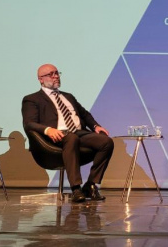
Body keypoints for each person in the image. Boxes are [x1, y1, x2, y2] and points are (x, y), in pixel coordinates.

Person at [21, 64, 114, 203]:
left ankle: (90, 185)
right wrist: (48, 130)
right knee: (71, 138)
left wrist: (95, 126)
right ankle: (76, 188)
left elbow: (84, 114)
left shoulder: (68, 96)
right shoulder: (32, 99)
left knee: (106, 142)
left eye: (57, 73)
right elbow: (29, 123)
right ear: (40, 79)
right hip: (55, 136)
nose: (56, 76)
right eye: (51, 74)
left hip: (78, 133)